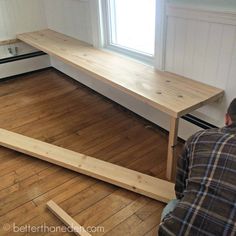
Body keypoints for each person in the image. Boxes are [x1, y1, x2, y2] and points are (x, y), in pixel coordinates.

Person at [159, 98, 236, 236]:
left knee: (173, 204)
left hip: (173, 231)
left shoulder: (198, 137)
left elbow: (181, 190)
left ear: (226, 118)